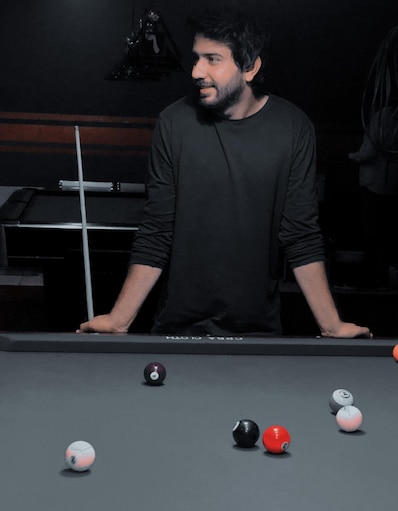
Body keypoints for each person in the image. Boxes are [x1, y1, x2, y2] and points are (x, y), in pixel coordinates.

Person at [79, 7, 370, 338]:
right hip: (177, 327)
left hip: (257, 331)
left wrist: (332, 325)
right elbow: (157, 231)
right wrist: (119, 319)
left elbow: (300, 235)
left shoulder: (294, 128)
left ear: (250, 67)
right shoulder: (173, 123)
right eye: (196, 58)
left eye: (212, 59)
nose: (196, 71)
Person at [349, 25, 398, 288]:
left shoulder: (381, 118)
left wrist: (352, 157)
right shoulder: (392, 118)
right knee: (388, 234)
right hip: (391, 187)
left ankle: (377, 277)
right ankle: (385, 276)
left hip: (374, 185)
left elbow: (368, 151)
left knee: (373, 234)